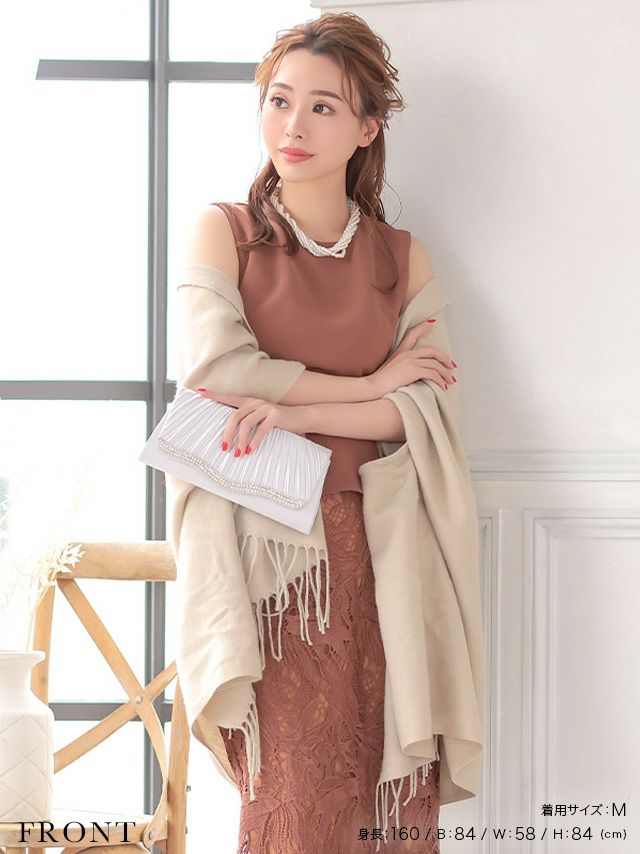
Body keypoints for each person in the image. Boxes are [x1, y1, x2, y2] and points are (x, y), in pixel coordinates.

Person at [183, 12, 458, 853]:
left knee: (385, 785)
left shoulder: (402, 258)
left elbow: (424, 408)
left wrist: (302, 413)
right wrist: (370, 384)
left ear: (368, 127)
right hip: (276, 566)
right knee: (295, 792)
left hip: (386, 553)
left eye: (323, 107)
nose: (292, 126)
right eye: (278, 100)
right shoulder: (225, 232)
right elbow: (220, 372)